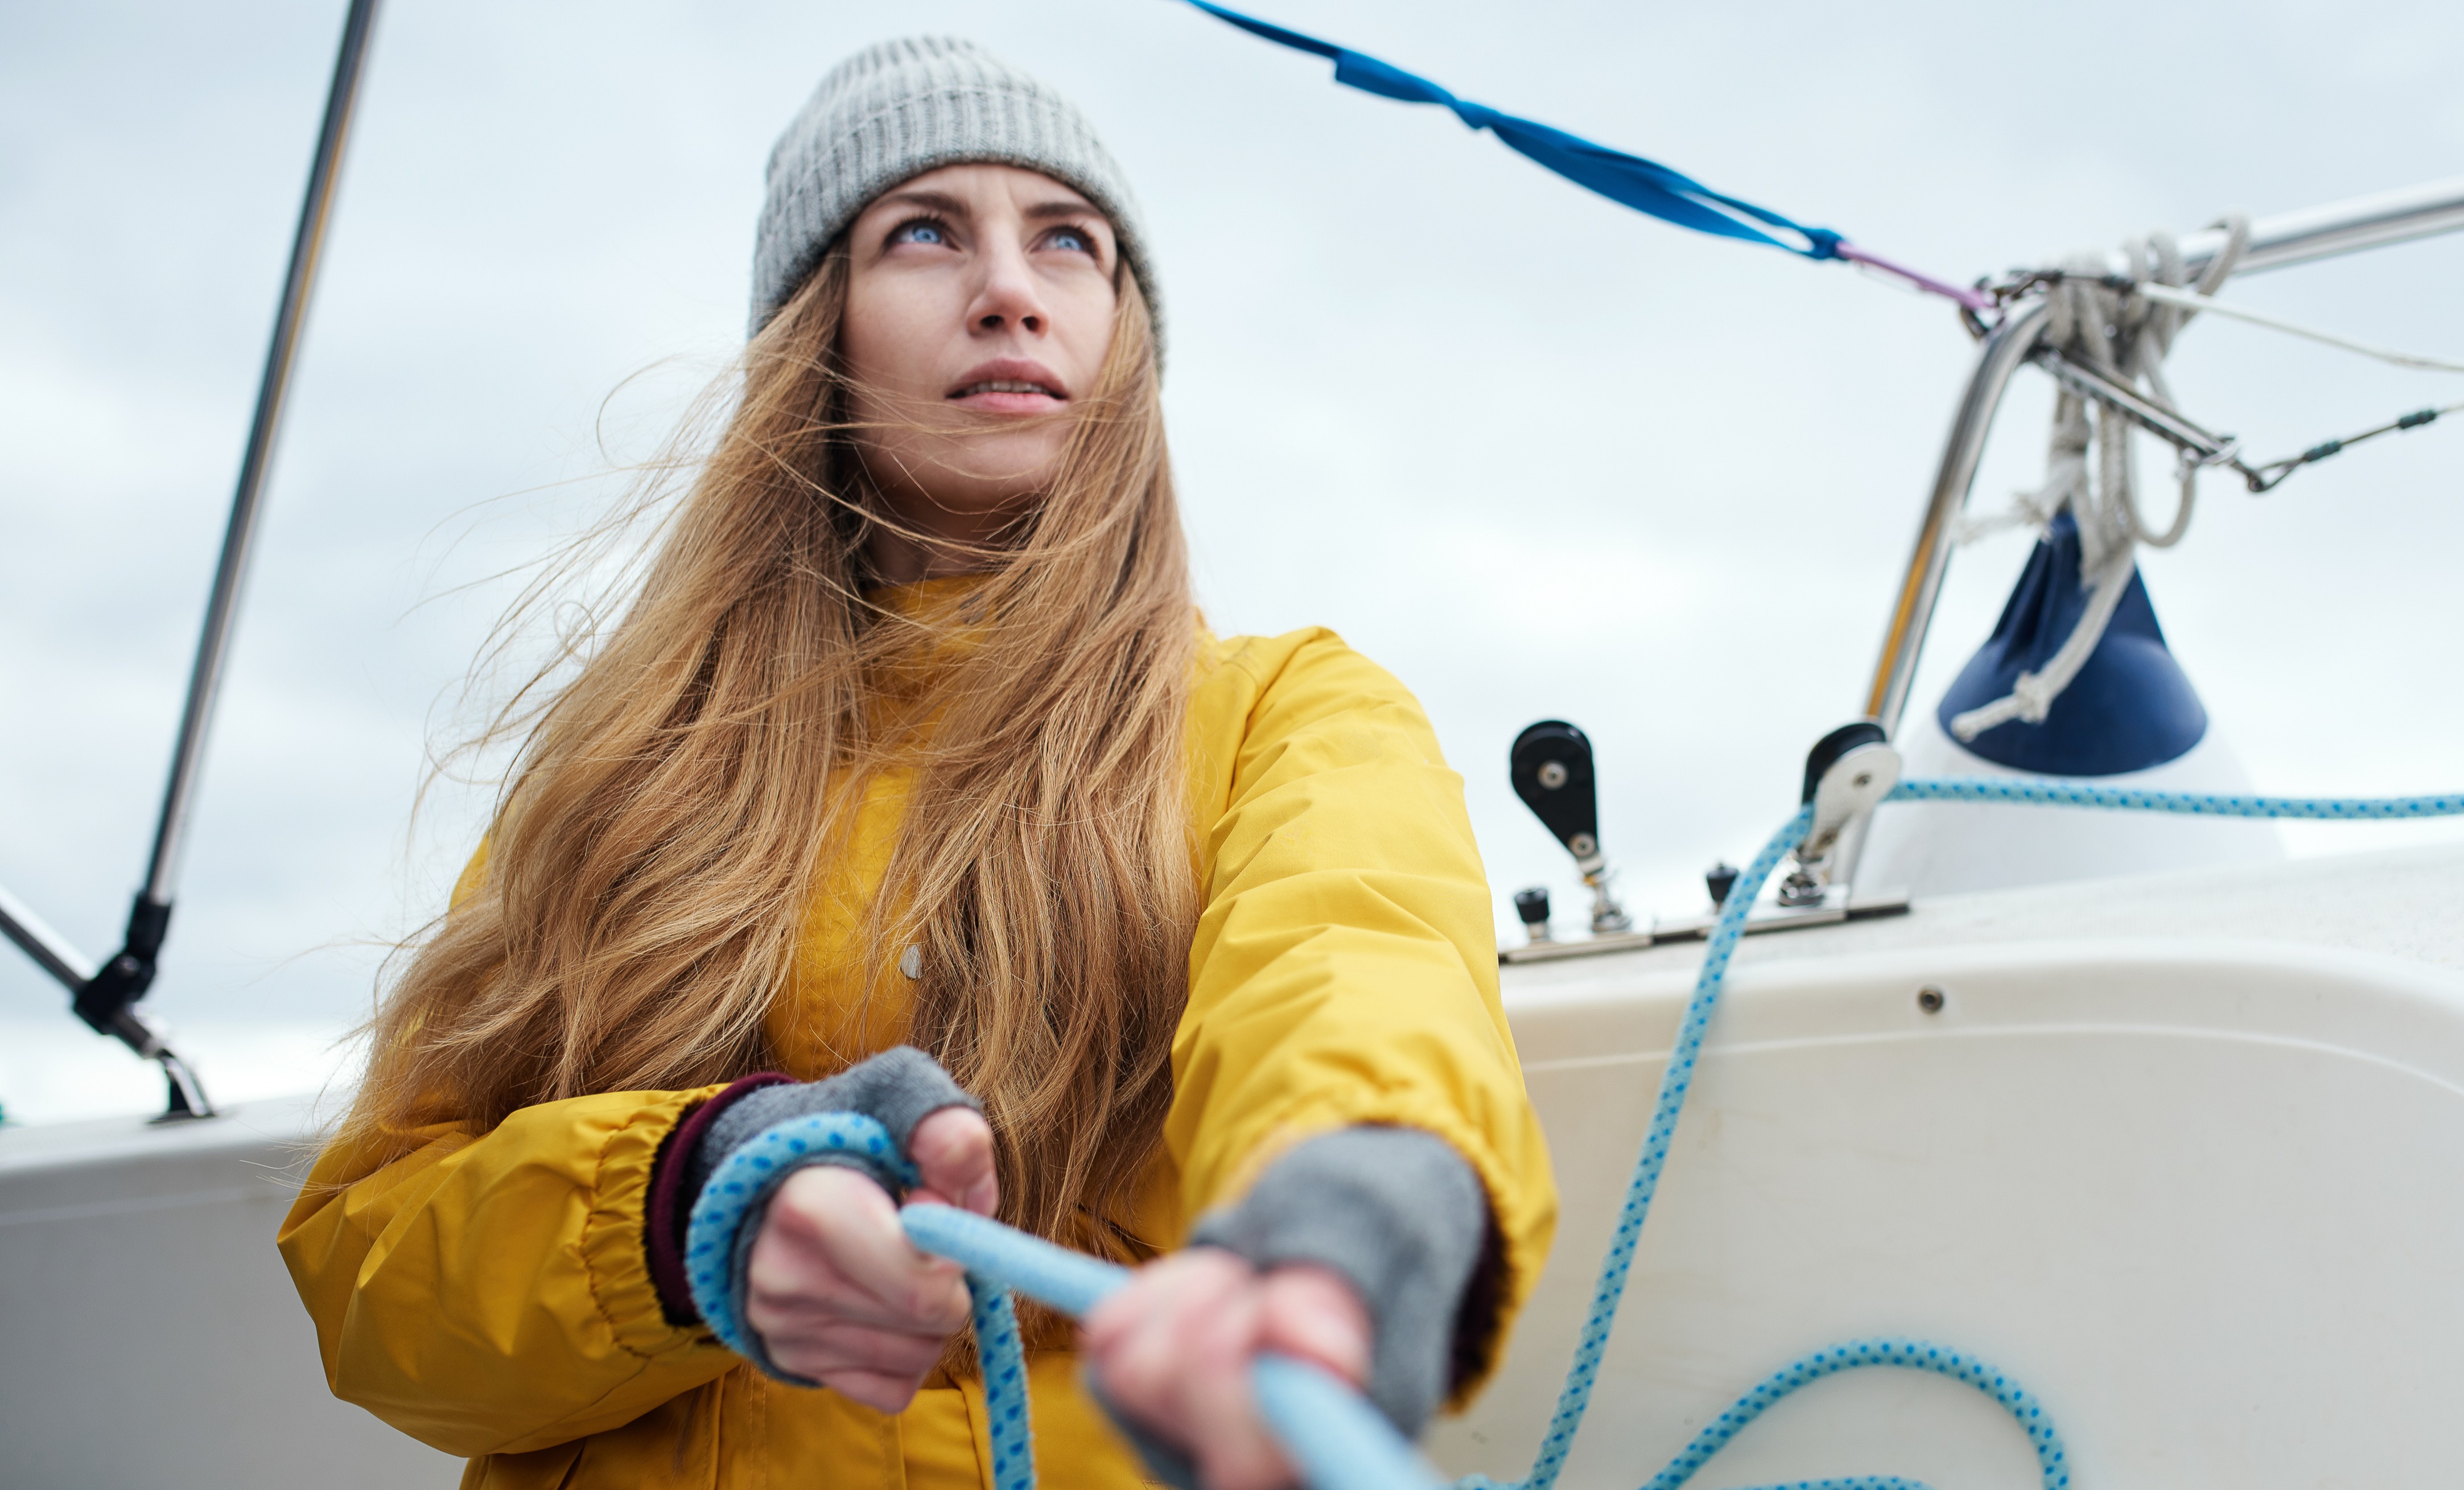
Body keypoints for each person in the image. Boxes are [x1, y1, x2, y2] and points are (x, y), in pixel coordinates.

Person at [280, 35, 1555, 1490]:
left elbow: (1358, 970)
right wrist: (687, 1206)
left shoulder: (1290, 712)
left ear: (1125, 338)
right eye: (925, 231)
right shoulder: (616, 774)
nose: (1009, 288)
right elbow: (373, 1277)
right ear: (815, 334)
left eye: (1067, 242)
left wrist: (1332, 1245)